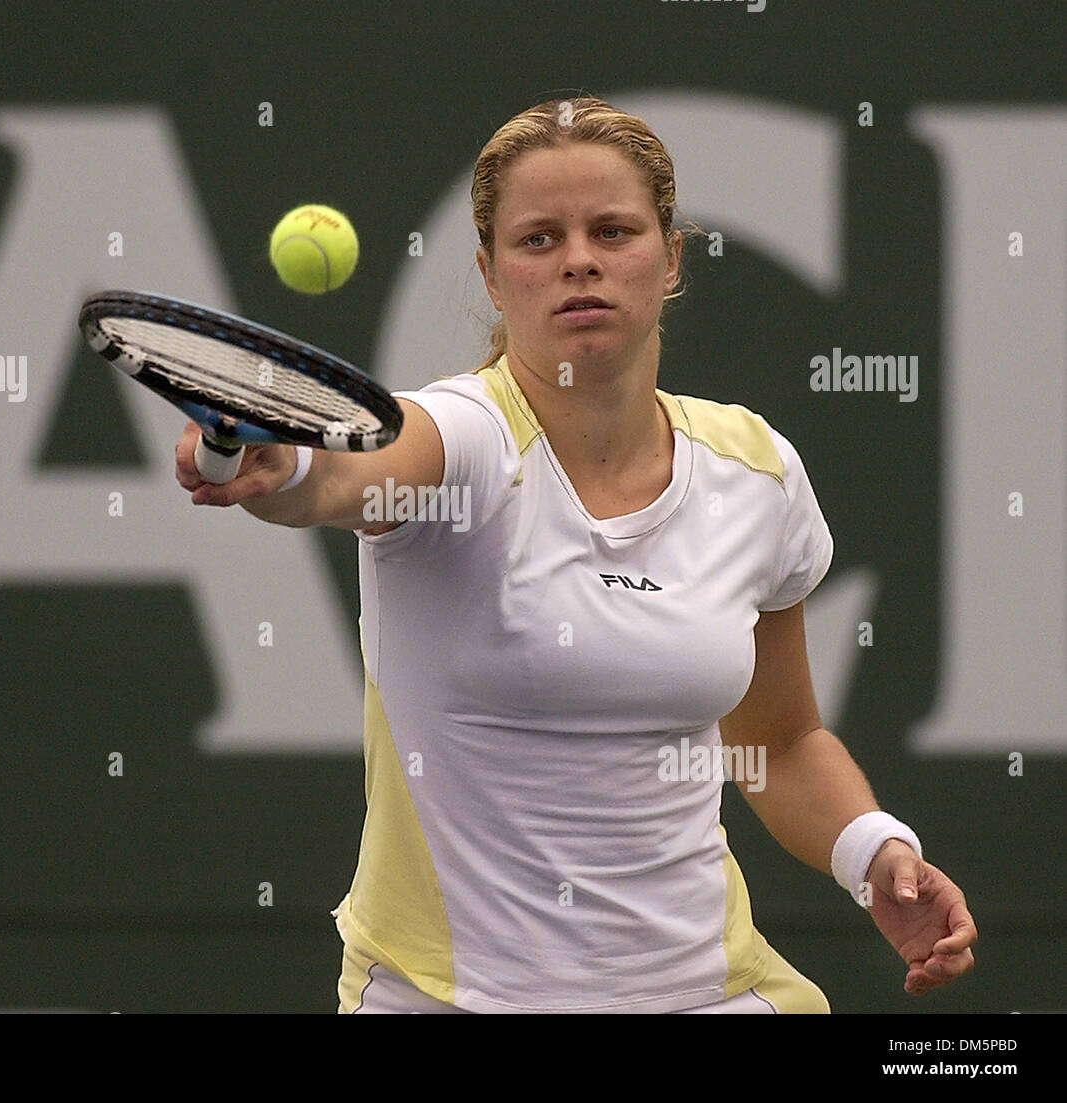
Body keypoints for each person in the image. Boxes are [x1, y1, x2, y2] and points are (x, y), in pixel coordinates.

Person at [174, 97, 977, 1013]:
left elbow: (776, 741)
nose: (579, 260)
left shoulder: (755, 470)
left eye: (613, 230)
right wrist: (279, 465)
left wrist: (874, 851)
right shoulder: (467, 441)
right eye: (538, 239)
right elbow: (345, 473)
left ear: (673, 255)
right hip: (449, 996)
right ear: (489, 273)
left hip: (702, 993)